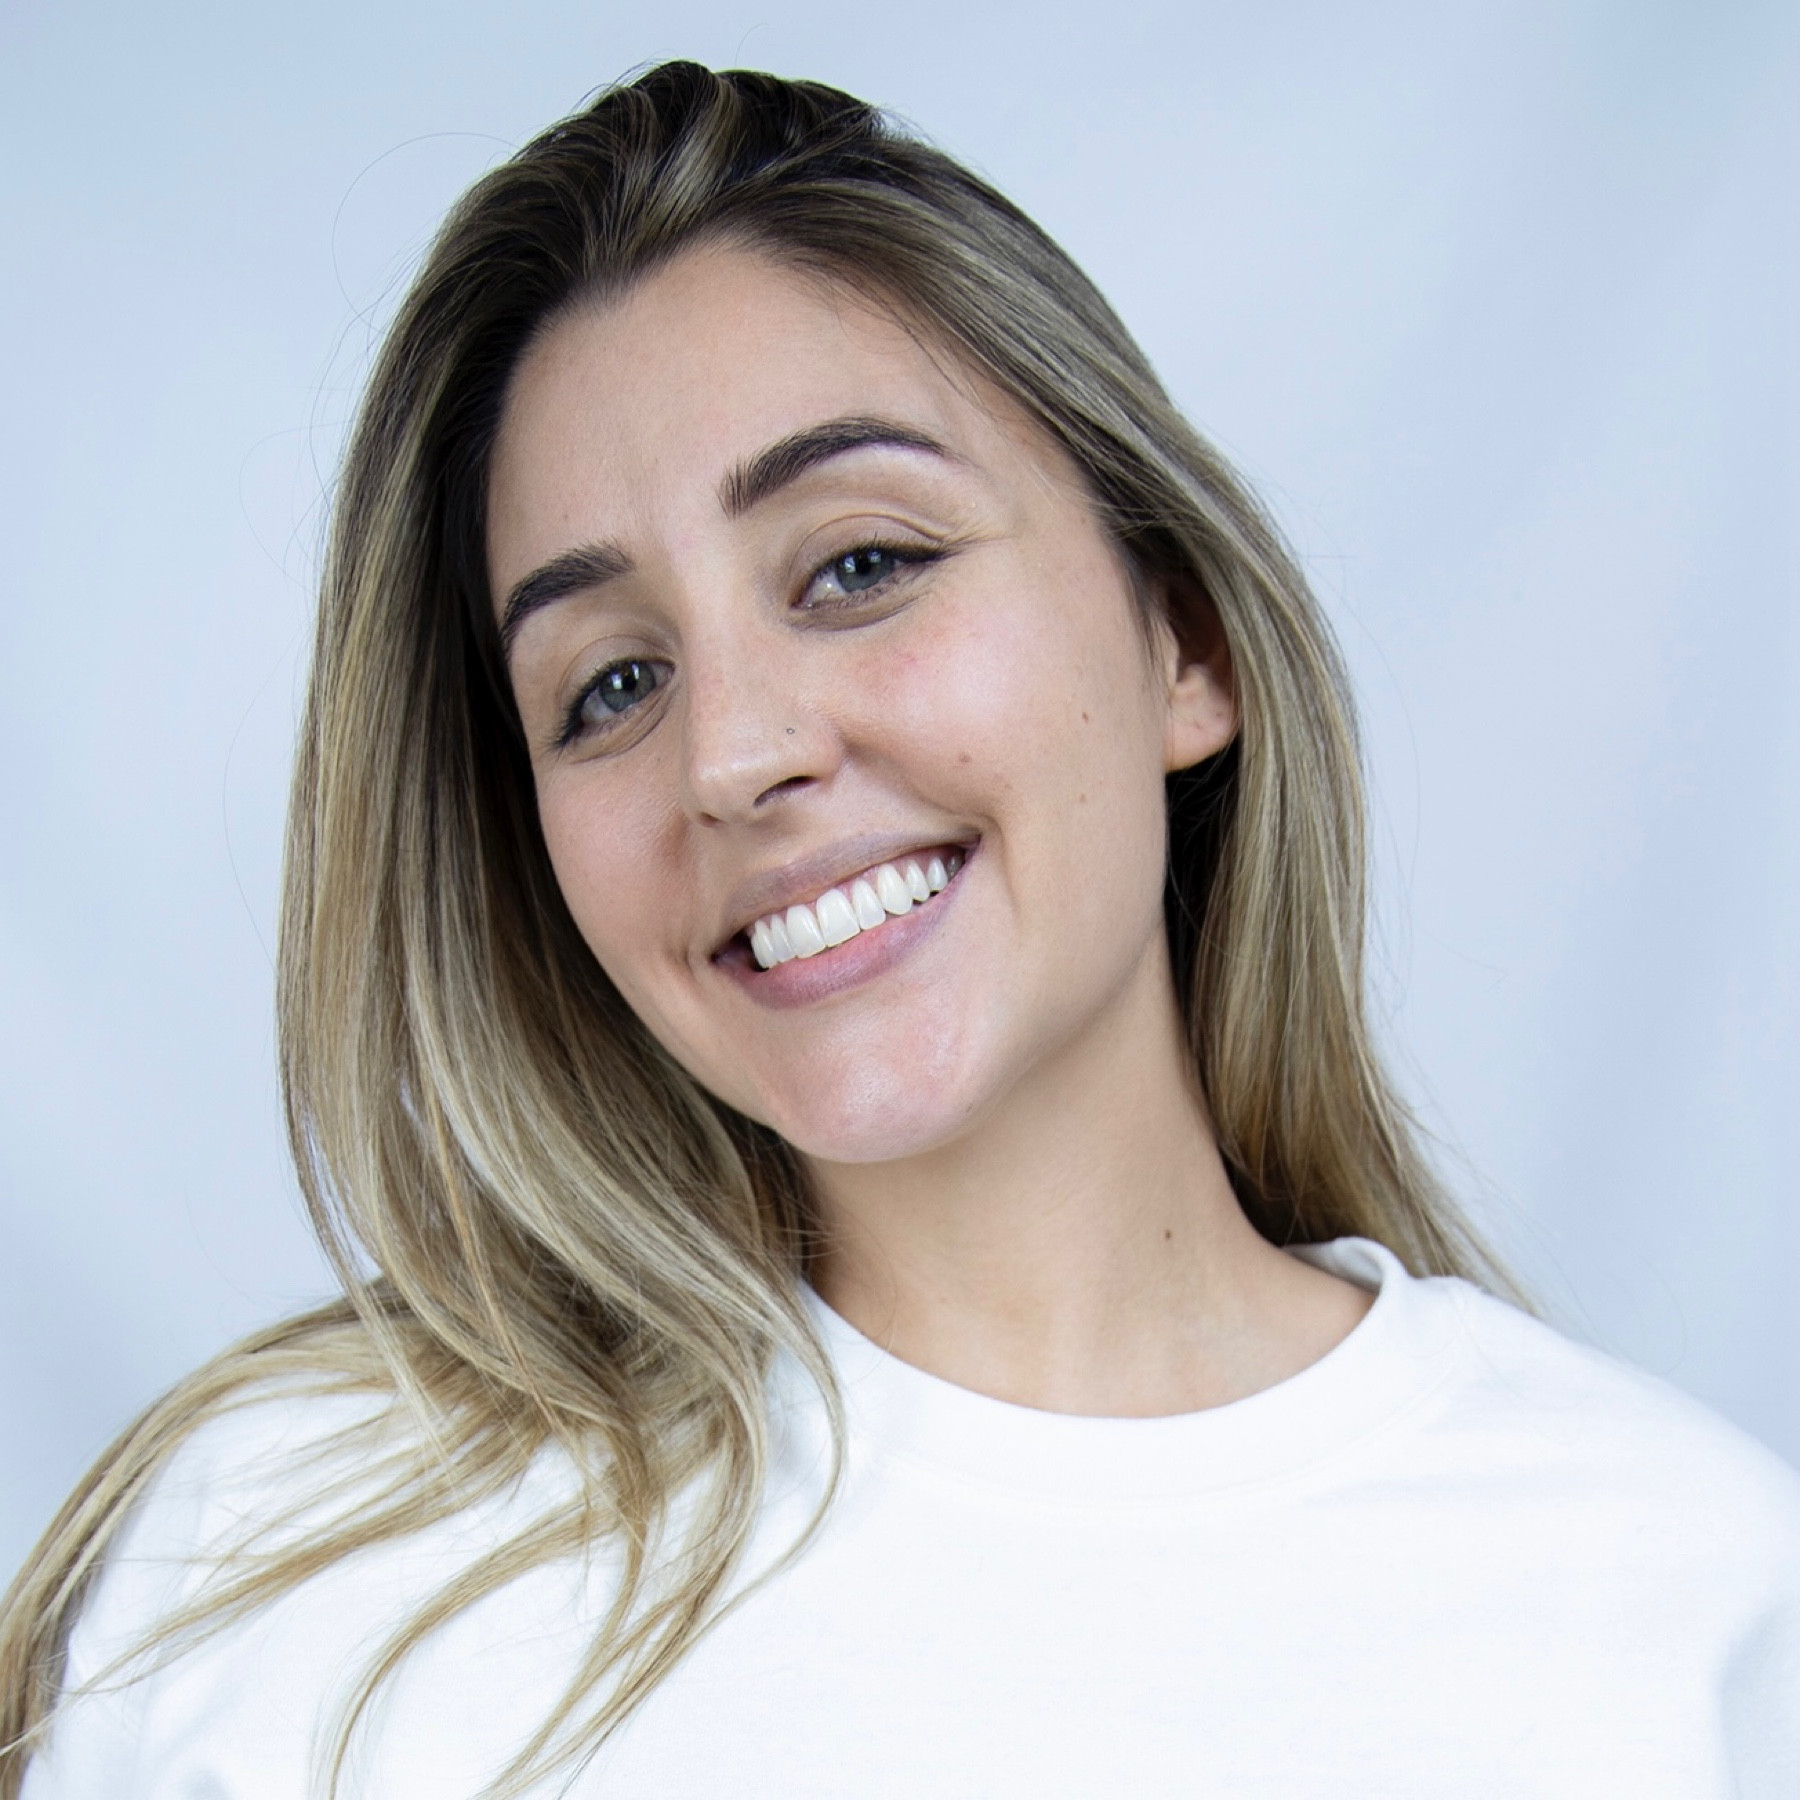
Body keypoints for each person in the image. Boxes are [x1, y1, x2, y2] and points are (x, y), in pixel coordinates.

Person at [2, 60, 1795, 1800]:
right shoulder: (280, 1583)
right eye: (610, 683)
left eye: (861, 565)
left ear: (1182, 642)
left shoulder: (1690, 1611)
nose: (734, 755)